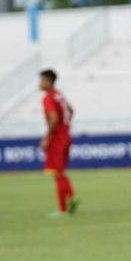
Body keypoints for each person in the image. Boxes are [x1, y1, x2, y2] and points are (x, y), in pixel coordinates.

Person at [39, 69, 80, 215]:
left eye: (42, 80)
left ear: (48, 82)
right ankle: (71, 200)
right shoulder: (59, 94)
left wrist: (47, 137)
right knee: (61, 172)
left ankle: (63, 209)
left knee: (57, 173)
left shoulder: (48, 97)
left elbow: (54, 118)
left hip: (57, 138)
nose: (40, 83)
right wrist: (65, 127)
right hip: (66, 135)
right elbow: (71, 111)